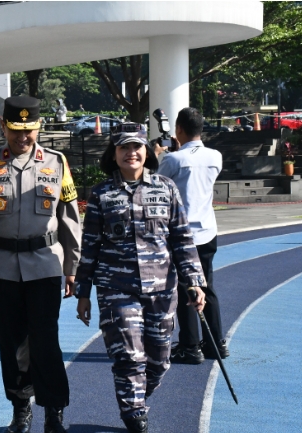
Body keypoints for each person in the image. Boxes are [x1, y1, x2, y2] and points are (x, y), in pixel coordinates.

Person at [0, 96, 82, 433]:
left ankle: (53, 410)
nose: (22, 137)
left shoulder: (57, 163)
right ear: (3, 126)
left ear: (38, 127)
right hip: (1, 268)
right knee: (11, 343)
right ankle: (20, 406)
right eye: (15, 129)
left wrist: (72, 267)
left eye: (29, 130)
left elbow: (69, 216)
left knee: (44, 340)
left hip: (45, 265)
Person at [74, 122, 207, 433]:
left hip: (162, 288)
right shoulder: (101, 194)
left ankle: (137, 397)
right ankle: (134, 414)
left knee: (159, 360)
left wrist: (194, 282)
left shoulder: (166, 188)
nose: (131, 153)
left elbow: (182, 239)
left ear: (146, 151)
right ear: (114, 153)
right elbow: (90, 245)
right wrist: (83, 292)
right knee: (129, 357)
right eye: (124, 147)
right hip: (116, 289)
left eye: (137, 147)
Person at [154, 107, 228, 364]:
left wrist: (159, 155)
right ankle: (216, 342)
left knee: (185, 289)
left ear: (179, 129)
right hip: (208, 230)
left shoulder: (172, 160)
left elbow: (155, 185)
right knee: (206, 285)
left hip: (182, 234)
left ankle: (189, 345)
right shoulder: (215, 156)